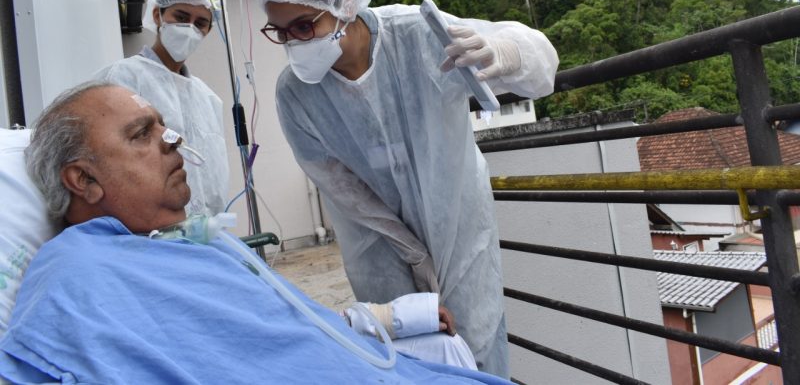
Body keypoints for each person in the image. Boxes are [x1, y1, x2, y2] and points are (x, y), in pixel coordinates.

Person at [0, 82, 509, 384]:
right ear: (83, 179)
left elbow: (272, 324)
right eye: (142, 134)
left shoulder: (197, 247)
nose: (173, 140)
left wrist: (388, 317)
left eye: (163, 125)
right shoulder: (77, 272)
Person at [254, 0, 559, 378]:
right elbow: (345, 192)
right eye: (281, 33)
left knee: (478, 343)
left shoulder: (417, 33)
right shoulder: (294, 95)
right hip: (377, 242)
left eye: (305, 26)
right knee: (408, 358)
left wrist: (502, 53)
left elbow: (542, 64)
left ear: (344, 5)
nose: (294, 44)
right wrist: (412, 270)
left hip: (458, 223)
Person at [92, 0, 228, 215]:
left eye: (200, 23)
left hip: (204, 230)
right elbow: (106, 158)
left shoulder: (208, 99)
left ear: (207, 30)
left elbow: (213, 174)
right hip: (146, 227)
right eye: (181, 17)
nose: (190, 29)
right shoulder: (122, 78)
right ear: (158, 15)